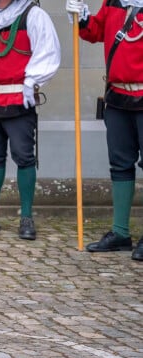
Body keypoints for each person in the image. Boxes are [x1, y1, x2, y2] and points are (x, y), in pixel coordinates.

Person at [0, 0, 61, 240]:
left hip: (19, 99)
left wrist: (31, 82)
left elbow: (47, 50)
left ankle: (26, 216)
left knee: (24, 157)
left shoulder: (33, 16)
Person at [66, 0, 143, 260]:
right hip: (118, 97)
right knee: (120, 164)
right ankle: (120, 232)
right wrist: (82, 17)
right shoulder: (113, 2)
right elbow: (95, 32)